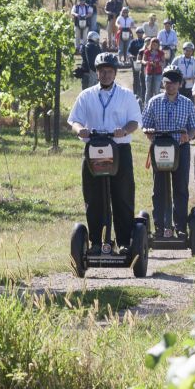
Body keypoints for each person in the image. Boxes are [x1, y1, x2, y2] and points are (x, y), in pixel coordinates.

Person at [68, 53, 142, 251]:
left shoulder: (126, 96)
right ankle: (96, 242)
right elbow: (74, 120)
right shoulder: (86, 95)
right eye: (102, 71)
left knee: (122, 196)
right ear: (97, 73)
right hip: (93, 149)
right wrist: (79, 130)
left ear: (115, 73)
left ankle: (125, 242)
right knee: (94, 197)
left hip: (119, 149)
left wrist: (125, 130)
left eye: (109, 71)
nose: (106, 74)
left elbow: (135, 121)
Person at [142, 66, 195, 238]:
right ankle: (160, 226)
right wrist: (149, 132)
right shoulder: (154, 101)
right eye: (167, 82)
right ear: (163, 83)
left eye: (174, 82)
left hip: (180, 148)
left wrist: (187, 137)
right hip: (160, 148)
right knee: (159, 188)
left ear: (180, 84)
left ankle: (180, 226)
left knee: (180, 187)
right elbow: (145, 122)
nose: (170, 85)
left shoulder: (187, 103)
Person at [142, 37, 165, 104]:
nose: (154, 46)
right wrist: (146, 62)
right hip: (149, 72)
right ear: (151, 44)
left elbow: (163, 62)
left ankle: (157, 105)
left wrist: (160, 63)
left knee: (157, 90)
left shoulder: (161, 53)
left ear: (158, 45)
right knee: (148, 91)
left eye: (156, 44)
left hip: (158, 73)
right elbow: (143, 60)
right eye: (153, 44)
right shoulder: (147, 52)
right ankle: (146, 105)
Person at [128, 26, 146, 102]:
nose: (140, 34)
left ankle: (142, 94)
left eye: (141, 32)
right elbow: (128, 51)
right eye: (138, 32)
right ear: (136, 33)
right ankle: (135, 93)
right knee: (135, 77)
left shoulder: (145, 42)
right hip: (135, 61)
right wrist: (131, 55)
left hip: (143, 62)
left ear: (143, 33)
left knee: (142, 77)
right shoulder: (133, 42)